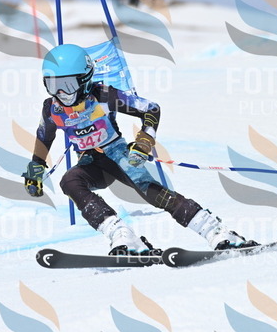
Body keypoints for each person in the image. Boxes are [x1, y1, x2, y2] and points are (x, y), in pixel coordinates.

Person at [22, 44, 258, 256]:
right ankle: (123, 236)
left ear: (85, 79)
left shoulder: (103, 95)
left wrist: (145, 141)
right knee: (70, 181)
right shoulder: (52, 109)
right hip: (90, 163)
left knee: (154, 194)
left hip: (118, 155)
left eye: (67, 85)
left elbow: (151, 109)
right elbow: (44, 137)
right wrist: (36, 166)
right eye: (53, 86)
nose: (60, 94)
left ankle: (218, 232)